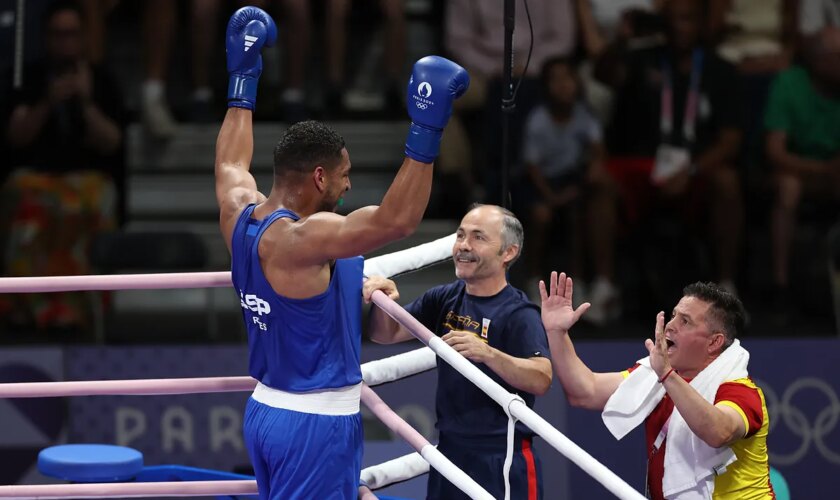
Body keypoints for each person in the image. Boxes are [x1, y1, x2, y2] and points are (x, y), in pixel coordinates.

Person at [214, 6, 468, 498]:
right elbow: (397, 221)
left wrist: (243, 78)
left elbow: (229, 160)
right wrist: (427, 129)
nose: (350, 184)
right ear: (318, 177)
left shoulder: (239, 213)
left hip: (267, 410)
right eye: (345, 174)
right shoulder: (303, 239)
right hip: (315, 423)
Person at [365, 204, 552, 500]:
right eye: (461, 235)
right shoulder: (446, 297)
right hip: (449, 451)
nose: (464, 246)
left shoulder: (519, 312)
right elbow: (385, 334)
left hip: (499, 457)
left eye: (478, 238)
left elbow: (542, 377)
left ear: (508, 253)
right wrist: (382, 299)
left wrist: (488, 353)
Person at [541, 272, 773, 499]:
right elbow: (585, 391)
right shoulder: (656, 377)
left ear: (714, 342)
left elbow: (719, 432)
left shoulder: (741, 391)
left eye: (685, 321)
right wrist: (556, 333)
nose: (670, 326)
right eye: (674, 315)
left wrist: (667, 374)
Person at [597, 0, 744, 296]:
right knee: (598, 181)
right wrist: (619, 42)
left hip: (694, 168)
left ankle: (726, 287)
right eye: (673, 19)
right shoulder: (642, 59)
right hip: (643, 165)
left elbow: (731, 140)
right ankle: (604, 286)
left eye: (687, 19)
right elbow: (604, 75)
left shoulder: (721, 70)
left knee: (727, 182)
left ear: (701, 25)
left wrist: (689, 170)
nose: (680, 27)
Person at [522, 56, 619, 324]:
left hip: (573, 183)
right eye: (555, 80)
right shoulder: (538, 120)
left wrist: (592, 169)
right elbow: (532, 167)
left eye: (568, 78)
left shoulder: (583, 115)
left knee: (581, 214)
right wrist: (552, 198)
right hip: (543, 186)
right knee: (541, 216)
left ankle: (585, 284)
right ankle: (532, 279)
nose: (563, 86)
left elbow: (599, 150)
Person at [766, 26, 840, 318]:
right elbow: (775, 152)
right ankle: (781, 285)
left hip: (836, 173)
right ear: (818, 60)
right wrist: (823, 170)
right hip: (799, 170)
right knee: (788, 188)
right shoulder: (789, 84)